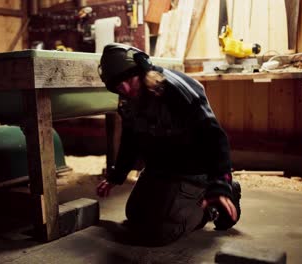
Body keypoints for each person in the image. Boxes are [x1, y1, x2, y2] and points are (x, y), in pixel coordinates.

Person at [96, 43, 241, 246]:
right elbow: (131, 140)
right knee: (134, 216)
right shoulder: (127, 100)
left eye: (130, 80)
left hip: (193, 171)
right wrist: (117, 175)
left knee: (162, 232)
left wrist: (220, 183)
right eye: (119, 86)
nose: (127, 89)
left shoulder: (173, 88)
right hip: (160, 168)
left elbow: (215, 138)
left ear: (142, 71)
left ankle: (213, 206)